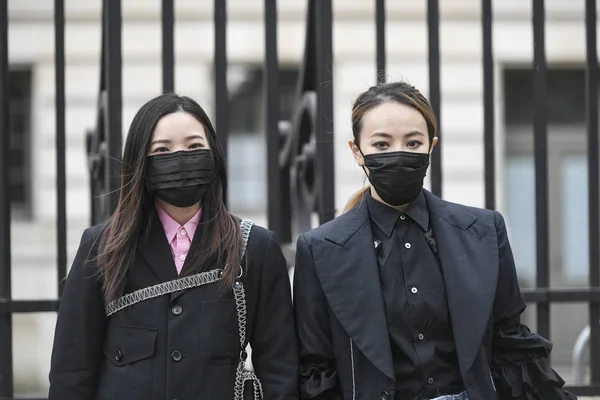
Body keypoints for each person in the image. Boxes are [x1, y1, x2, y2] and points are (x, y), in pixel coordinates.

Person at [293, 82, 576, 400]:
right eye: (382, 145)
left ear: (431, 146)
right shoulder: (320, 249)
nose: (399, 154)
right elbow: (316, 364)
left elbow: (509, 342)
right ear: (357, 151)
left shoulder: (483, 230)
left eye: (413, 143)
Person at [48, 93, 299, 400]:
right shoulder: (101, 247)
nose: (180, 158)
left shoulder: (255, 247)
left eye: (194, 147)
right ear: (141, 161)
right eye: (162, 149)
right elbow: (72, 372)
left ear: (214, 155)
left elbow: (279, 369)